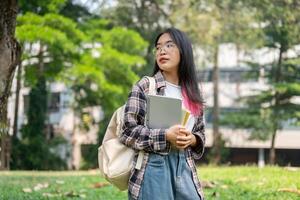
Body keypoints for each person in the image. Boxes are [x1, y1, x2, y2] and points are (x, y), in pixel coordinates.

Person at [120, 27, 205, 200]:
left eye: (169, 45)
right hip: (153, 166)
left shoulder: (193, 92)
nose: (162, 51)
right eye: (158, 47)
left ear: (184, 51)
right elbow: (127, 131)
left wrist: (193, 139)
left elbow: (201, 132)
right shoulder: (145, 86)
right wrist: (165, 135)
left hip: (185, 164)